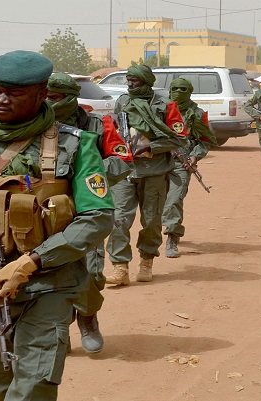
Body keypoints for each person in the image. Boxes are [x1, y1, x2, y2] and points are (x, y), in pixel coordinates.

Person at [0, 50, 115, 400]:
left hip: (48, 280)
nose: (1, 100)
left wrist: (33, 261)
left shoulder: (75, 144)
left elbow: (98, 217)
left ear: (42, 94)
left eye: (14, 94)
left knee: (33, 383)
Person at [45, 72, 132, 353]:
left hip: (86, 210)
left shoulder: (97, 124)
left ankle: (88, 320)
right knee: (49, 270)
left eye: (54, 97)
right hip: (45, 211)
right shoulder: (34, 125)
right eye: (44, 96)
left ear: (70, 98)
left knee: (91, 273)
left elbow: (122, 161)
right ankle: (58, 329)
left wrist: (86, 172)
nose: (47, 102)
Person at [106, 65, 187, 285]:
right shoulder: (123, 101)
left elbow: (179, 138)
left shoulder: (165, 105)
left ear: (146, 82)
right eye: (128, 80)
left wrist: (151, 147)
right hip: (124, 171)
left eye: (135, 81)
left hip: (154, 171)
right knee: (118, 219)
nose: (130, 84)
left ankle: (146, 261)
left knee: (151, 221)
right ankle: (120, 268)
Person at [161, 78, 217, 258]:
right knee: (157, 202)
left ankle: (172, 237)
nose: (178, 92)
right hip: (158, 161)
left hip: (181, 163)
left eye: (183, 89)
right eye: (175, 88)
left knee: (174, 199)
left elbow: (205, 140)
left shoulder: (197, 114)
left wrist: (194, 156)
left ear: (190, 91)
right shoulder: (160, 109)